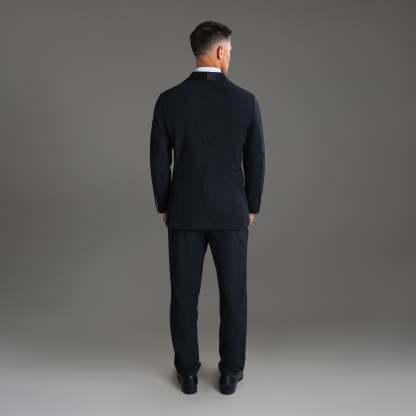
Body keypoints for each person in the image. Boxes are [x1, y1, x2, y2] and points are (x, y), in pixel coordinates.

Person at [150, 20, 265, 394]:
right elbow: (256, 160)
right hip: (231, 211)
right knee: (234, 293)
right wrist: (251, 205)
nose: (230, 58)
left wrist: (165, 204)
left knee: (184, 295)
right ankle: (231, 371)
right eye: (230, 52)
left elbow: (159, 161)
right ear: (219, 52)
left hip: (184, 211)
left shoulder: (169, 100)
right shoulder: (245, 101)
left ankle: (187, 372)